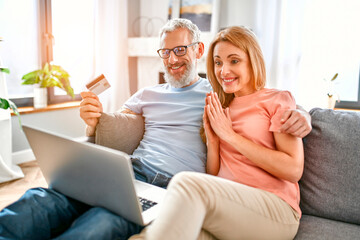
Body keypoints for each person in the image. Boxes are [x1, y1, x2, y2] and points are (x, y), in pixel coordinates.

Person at [0, 20, 310, 240]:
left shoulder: (217, 94)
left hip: (172, 189)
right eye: (165, 52)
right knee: (44, 200)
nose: (173, 60)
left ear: (198, 49)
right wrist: (92, 121)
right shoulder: (149, 94)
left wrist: (302, 116)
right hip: (128, 174)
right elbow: (113, 125)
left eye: (181, 50)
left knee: (98, 225)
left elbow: (270, 104)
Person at [130, 26, 304, 240]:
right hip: (228, 208)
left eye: (234, 61)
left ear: (253, 60)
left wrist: (230, 136)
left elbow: (293, 169)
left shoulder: (277, 99)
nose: (224, 71)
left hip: (275, 210)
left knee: (186, 182)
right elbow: (213, 176)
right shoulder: (220, 105)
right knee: (151, 232)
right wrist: (213, 140)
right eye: (218, 62)